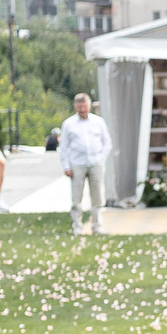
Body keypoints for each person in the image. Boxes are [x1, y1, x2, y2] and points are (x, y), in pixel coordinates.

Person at [56, 92, 112, 236]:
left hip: (95, 163)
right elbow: (64, 147)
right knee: (76, 198)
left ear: (89, 106)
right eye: (79, 107)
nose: (82, 110)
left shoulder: (98, 122)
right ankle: (77, 226)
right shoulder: (68, 124)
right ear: (75, 106)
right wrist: (66, 166)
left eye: (84, 106)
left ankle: (97, 225)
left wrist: (101, 158)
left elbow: (107, 143)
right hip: (77, 164)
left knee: (97, 196)